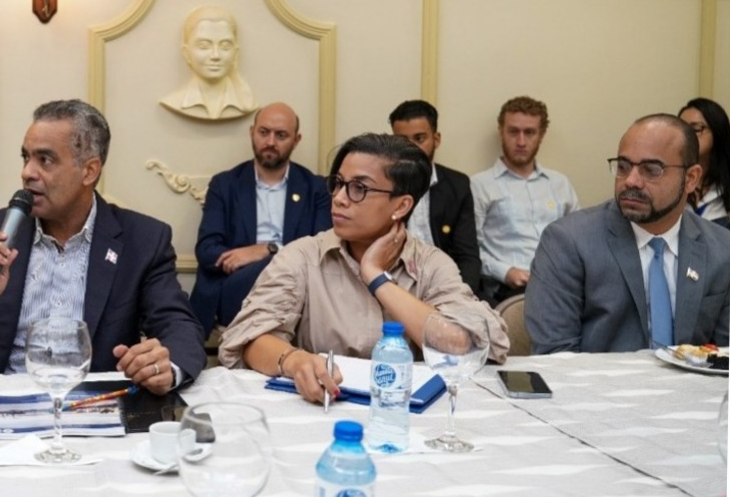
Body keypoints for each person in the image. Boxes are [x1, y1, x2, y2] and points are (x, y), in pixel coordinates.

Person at [0, 99, 207, 394]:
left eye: (45, 160)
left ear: (89, 171)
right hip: (5, 401)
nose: (27, 172)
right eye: (26, 158)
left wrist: (166, 366)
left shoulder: (143, 240)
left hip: (92, 403)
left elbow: (179, 326)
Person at [219, 133, 507, 404]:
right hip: (321, 407)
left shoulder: (431, 264)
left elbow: (462, 343)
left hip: (404, 414)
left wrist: (376, 277)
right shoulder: (302, 256)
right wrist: (293, 361)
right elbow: (249, 339)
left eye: (359, 188)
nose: (339, 198)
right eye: (338, 183)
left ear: (401, 206)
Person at [526, 115, 730, 354]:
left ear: (691, 178)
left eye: (651, 170)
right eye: (623, 167)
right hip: (597, 379)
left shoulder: (723, 249)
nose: (631, 181)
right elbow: (555, 356)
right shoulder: (567, 241)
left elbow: (725, 357)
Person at [189, 102, 331, 335]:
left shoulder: (316, 188)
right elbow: (206, 250)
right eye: (264, 132)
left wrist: (269, 250)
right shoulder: (225, 184)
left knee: (278, 269)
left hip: (297, 286)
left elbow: (321, 249)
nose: (270, 142)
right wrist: (246, 259)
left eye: (281, 135)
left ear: (296, 140)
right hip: (236, 287)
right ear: (252, 132)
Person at [471, 96, 578, 305]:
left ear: (541, 135)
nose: (521, 142)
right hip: (509, 290)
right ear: (501, 132)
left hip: (560, 282)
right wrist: (506, 272)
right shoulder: (479, 185)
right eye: (513, 132)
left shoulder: (560, 184)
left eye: (529, 132)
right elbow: (471, 250)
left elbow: (578, 239)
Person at [388, 100, 482, 295]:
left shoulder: (458, 185)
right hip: (393, 285)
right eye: (402, 140)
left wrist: (461, 296)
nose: (411, 148)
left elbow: (467, 256)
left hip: (446, 284)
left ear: (436, 139)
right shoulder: (382, 184)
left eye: (419, 138)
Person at [159, 6, 257, 121]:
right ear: (186, 53)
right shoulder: (174, 101)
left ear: (235, 53)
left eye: (225, 46)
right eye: (204, 46)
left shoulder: (245, 103)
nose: (215, 55)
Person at [677, 98, 730, 228]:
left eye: (696, 129)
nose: (687, 135)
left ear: (717, 132)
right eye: (682, 129)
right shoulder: (670, 178)